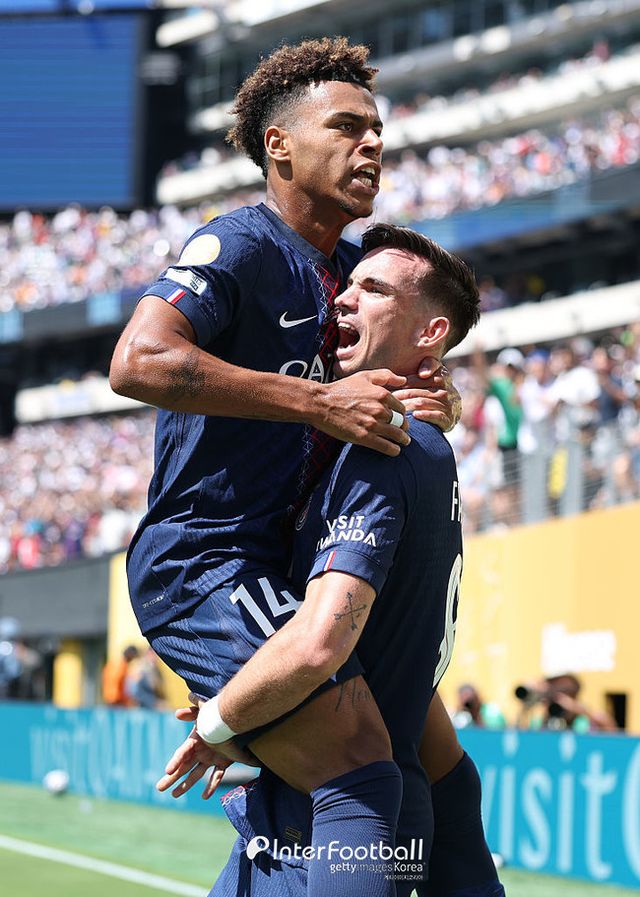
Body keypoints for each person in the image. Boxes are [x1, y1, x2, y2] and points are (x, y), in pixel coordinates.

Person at [110, 37, 493, 895]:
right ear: (279, 145)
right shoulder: (240, 245)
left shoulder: (354, 272)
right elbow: (137, 361)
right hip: (208, 561)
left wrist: (437, 396)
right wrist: (320, 404)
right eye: (348, 126)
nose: (373, 143)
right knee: (360, 762)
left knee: (430, 762)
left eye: (377, 129)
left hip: (296, 562)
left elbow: (412, 354)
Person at [159, 225, 504, 897]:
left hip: (331, 820)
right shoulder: (419, 444)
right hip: (378, 802)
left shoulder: (385, 451)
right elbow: (433, 733)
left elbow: (320, 644)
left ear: (431, 332)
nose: (342, 299)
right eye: (348, 284)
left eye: (372, 289)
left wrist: (220, 720)